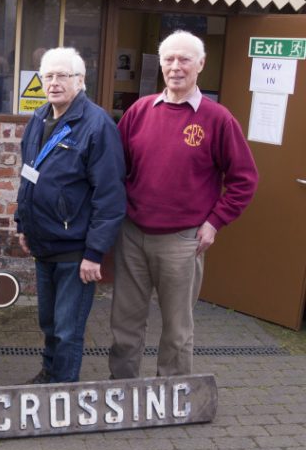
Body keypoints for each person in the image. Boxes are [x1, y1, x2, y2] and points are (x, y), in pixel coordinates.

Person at [109, 30, 258, 379]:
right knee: (124, 324)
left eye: (184, 59)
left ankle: (172, 396)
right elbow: (117, 170)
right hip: (132, 235)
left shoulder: (218, 119)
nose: (176, 67)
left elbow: (244, 179)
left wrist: (214, 222)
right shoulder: (139, 112)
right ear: (161, 64)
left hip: (182, 241)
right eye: (169, 59)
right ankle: (121, 390)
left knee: (177, 331)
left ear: (201, 65)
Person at [15, 47, 126, 384]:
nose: (54, 82)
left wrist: (95, 253)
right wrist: (23, 224)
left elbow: (110, 195)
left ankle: (62, 391)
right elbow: (29, 173)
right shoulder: (38, 119)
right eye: (48, 76)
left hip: (75, 250)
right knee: (48, 323)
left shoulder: (97, 125)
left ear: (80, 81)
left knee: (67, 329)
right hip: (43, 243)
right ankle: (50, 374)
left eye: (63, 75)